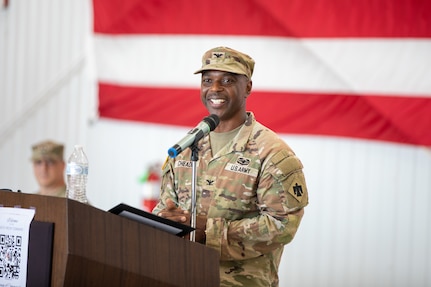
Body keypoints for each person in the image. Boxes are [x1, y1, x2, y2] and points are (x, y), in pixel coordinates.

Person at [153, 47, 309, 287]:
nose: (215, 88)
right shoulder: (186, 146)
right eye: (208, 80)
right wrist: (165, 220)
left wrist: (208, 231)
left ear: (247, 87)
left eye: (227, 80)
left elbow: (283, 226)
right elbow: (166, 208)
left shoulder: (272, 153)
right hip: (180, 276)